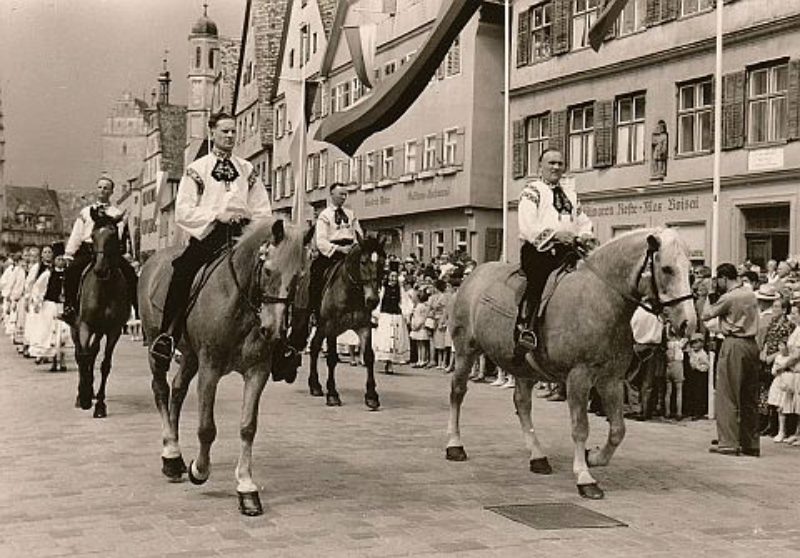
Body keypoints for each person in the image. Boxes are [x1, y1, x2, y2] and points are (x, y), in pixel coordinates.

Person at [149, 112, 272, 369]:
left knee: (273, 275)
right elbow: (184, 210)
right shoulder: (197, 169)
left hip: (243, 236)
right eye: (224, 131)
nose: (230, 136)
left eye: (233, 131)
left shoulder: (247, 169)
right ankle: (168, 334)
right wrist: (218, 215)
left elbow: (262, 208)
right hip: (210, 235)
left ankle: (279, 341)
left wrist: (251, 221)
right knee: (182, 270)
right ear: (212, 133)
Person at [516, 148, 594, 353]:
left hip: (568, 250)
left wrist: (585, 235)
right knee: (539, 282)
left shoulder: (571, 194)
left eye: (559, 163)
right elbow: (527, 225)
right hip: (539, 250)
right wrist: (555, 235)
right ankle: (527, 329)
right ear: (540, 166)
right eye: (551, 163)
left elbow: (583, 221)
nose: (556, 167)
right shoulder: (532, 191)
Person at [62, 176, 138, 326]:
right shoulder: (86, 212)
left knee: (130, 273)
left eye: (106, 188)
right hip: (88, 249)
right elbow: (77, 233)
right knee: (71, 271)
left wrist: (126, 253)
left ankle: (135, 310)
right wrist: (69, 253)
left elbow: (122, 236)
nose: (102, 190)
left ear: (111, 192)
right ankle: (69, 307)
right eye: (100, 187)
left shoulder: (117, 214)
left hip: (110, 252)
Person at [702, 263, 761, 457]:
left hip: (734, 343)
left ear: (723, 278)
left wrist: (711, 295)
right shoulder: (750, 293)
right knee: (749, 395)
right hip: (752, 344)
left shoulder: (729, 297)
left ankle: (728, 441)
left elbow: (706, 315)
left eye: (718, 280)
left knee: (727, 394)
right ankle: (750, 442)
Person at [308, 182, 363, 321]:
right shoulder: (324, 215)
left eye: (345, 194)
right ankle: (315, 310)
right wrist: (339, 249)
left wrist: (355, 248)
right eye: (341, 194)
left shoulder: (351, 214)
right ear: (332, 195)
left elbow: (358, 233)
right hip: (333, 252)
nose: (344, 197)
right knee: (316, 272)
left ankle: (365, 310)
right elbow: (321, 241)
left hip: (351, 251)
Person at [630, 305, 666, 421]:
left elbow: (632, 327)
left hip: (638, 346)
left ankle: (635, 409)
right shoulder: (659, 315)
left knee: (632, 379)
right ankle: (646, 411)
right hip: (654, 347)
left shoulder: (637, 312)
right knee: (648, 381)